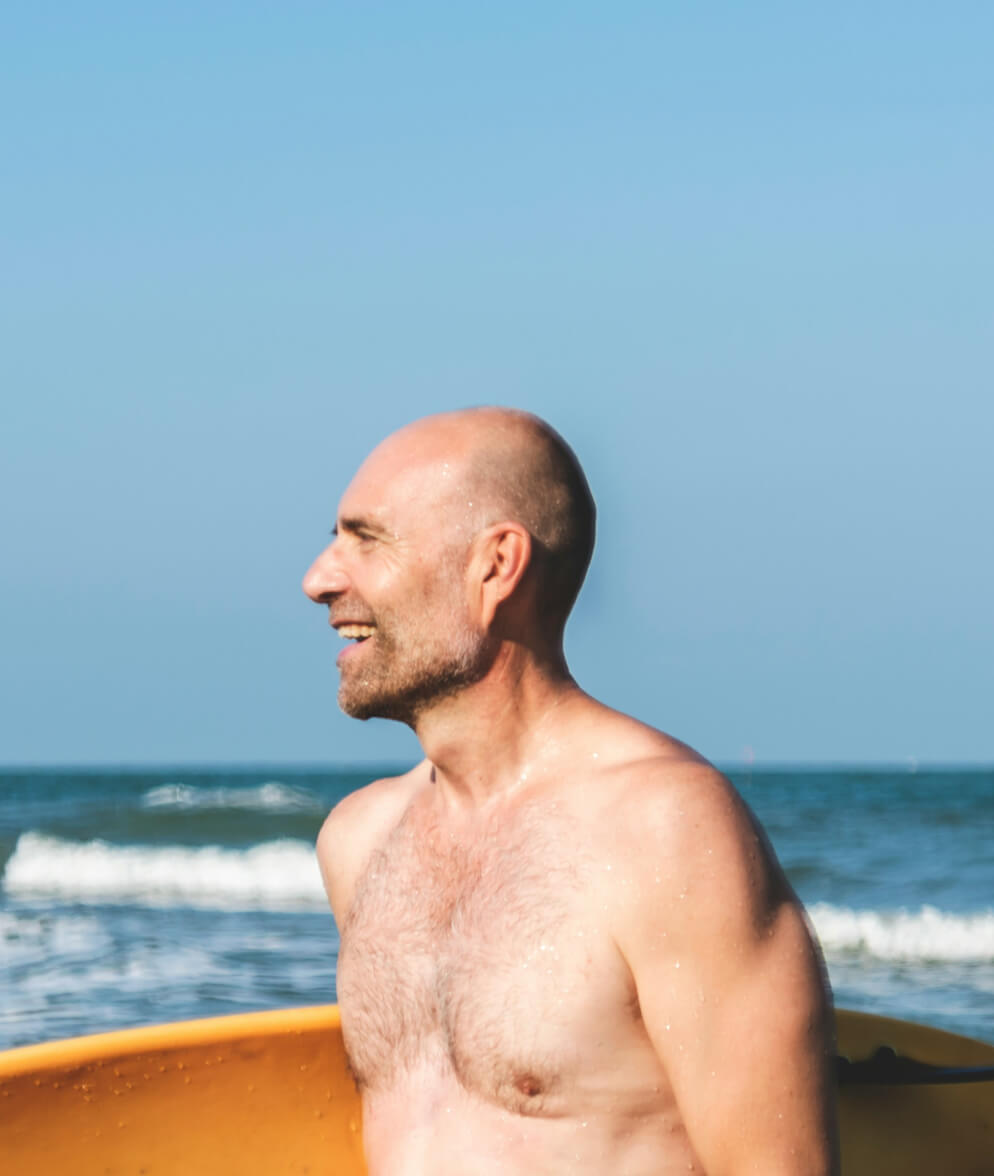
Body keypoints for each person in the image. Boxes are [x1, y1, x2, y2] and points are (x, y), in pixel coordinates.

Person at [303, 407, 839, 1175]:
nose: (318, 579)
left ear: (495, 567)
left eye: (366, 540)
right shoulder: (359, 843)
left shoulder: (668, 835)